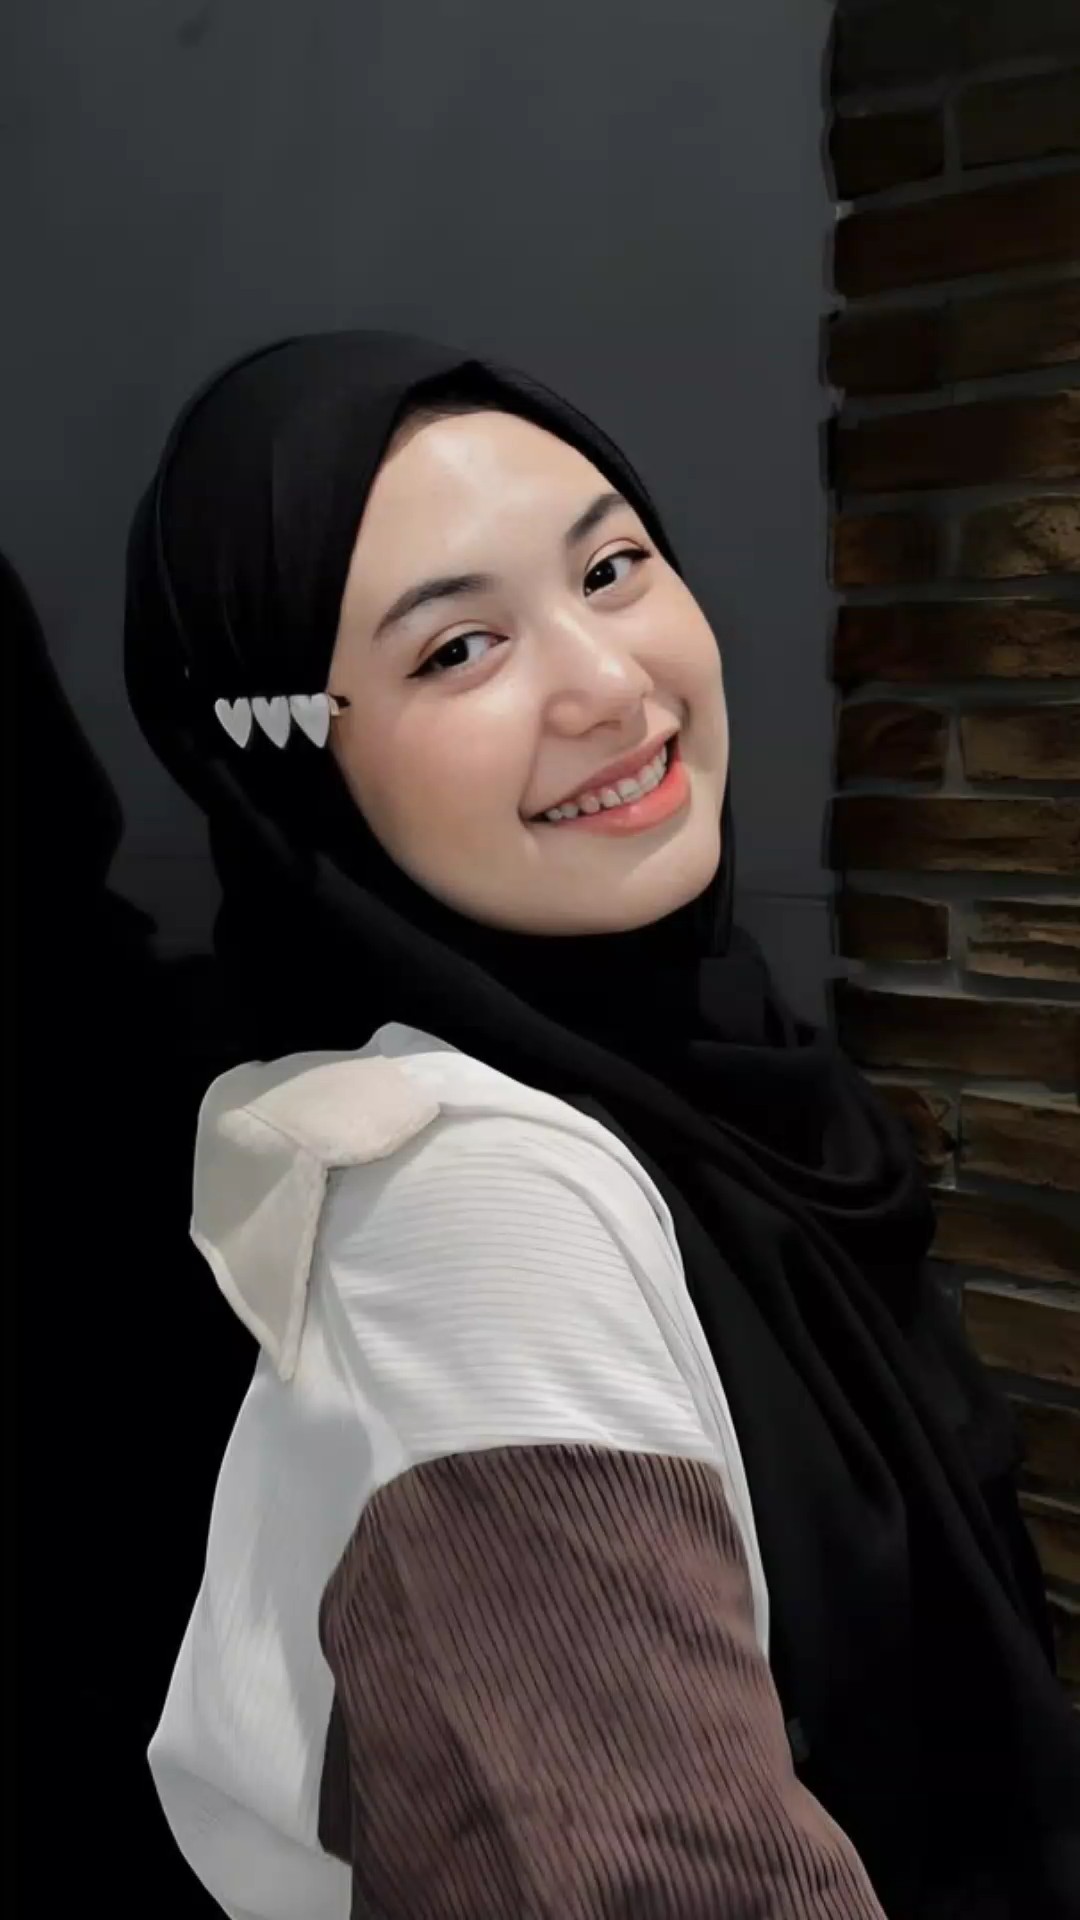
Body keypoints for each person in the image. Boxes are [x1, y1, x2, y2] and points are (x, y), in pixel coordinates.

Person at [123, 333, 1078, 1920]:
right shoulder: (466, 1212)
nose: (611, 688)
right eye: (458, 650)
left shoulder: (748, 1096)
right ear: (280, 763)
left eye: (613, 568)